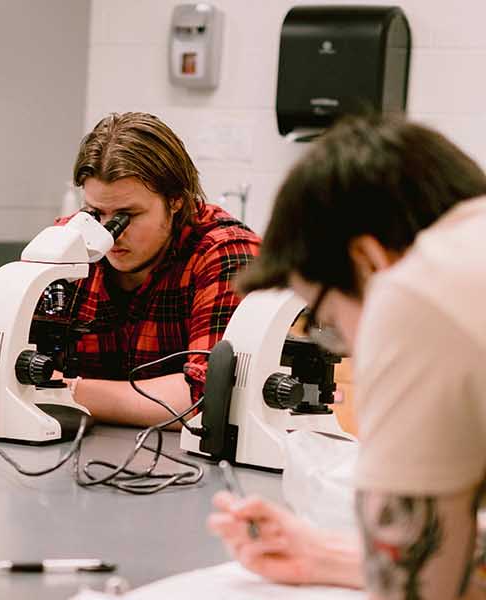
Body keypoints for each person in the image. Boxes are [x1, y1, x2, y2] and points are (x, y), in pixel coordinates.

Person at [207, 113, 486, 598]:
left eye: (330, 320)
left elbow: (418, 590)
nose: (353, 348)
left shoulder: (417, 291)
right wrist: (333, 557)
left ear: (368, 260)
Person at [57, 112, 260, 427]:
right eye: (96, 213)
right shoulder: (67, 243)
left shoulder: (226, 253)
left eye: (127, 215)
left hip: (192, 467)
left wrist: (69, 391)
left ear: (176, 200)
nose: (109, 234)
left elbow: (207, 398)